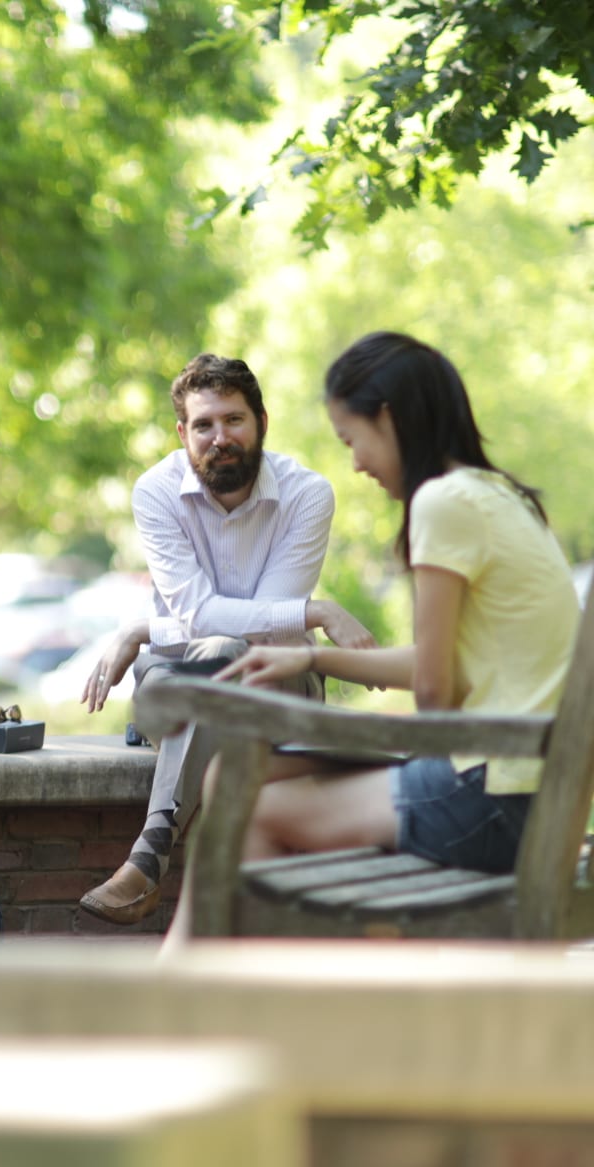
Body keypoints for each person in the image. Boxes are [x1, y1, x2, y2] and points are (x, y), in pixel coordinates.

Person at [209, 332, 576, 879]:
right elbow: (442, 663)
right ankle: (190, 961)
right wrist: (311, 659)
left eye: (351, 439)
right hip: (530, 786)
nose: (355, 463)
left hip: (495, 794)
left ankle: (265, 965)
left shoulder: (442, 502)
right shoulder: (499, 496)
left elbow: (433, 692)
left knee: (248, 808)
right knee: (235, 774)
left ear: (389, 418)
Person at [77, 353, 375, 926]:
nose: (221, 437)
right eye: (205, 424)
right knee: (216, 654)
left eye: (234, 420)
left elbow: (264, 630)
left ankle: (148, 856)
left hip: (280, 679)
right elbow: (201, 616)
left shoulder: (307, 494)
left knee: (225, 653)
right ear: (182, 432)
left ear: (262, 420)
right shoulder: (155, 491)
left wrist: (143, 629)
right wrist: (314, 611)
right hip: (179, 674)